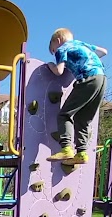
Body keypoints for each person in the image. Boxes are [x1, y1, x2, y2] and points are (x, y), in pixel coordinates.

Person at [46, 28, 107, 164]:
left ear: (58, 41)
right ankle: (81, 153)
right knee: (82, 119)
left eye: (53, 50)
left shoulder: (62, 49)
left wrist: (51, 65)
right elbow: (103, 52)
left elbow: (59, 71)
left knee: (64, 115)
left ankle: (66, 148)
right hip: (101, 79)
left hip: (88, 79)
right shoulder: (81, 44)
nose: (55, 53)